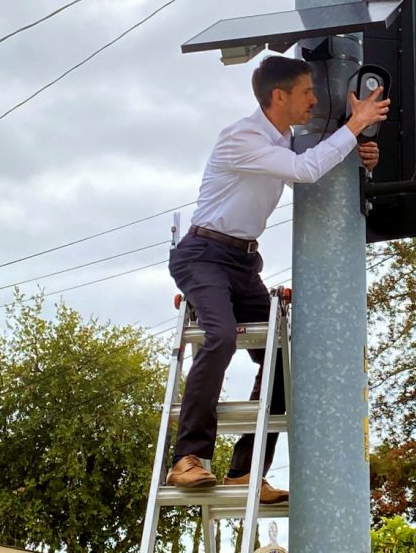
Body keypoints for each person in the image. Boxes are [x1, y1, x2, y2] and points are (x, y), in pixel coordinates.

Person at [165, 54, 389, 503]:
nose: (314, 99)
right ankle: (187, 459)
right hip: (203, 255)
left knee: (286, 361)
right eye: (307, 91)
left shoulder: (282, 140)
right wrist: (353, 124)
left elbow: (314, 178)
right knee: (221, 336)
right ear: (279, 96)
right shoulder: (243, 137)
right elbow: (306, 170)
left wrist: (362, 158)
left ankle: (245, 473)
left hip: (243, 263)